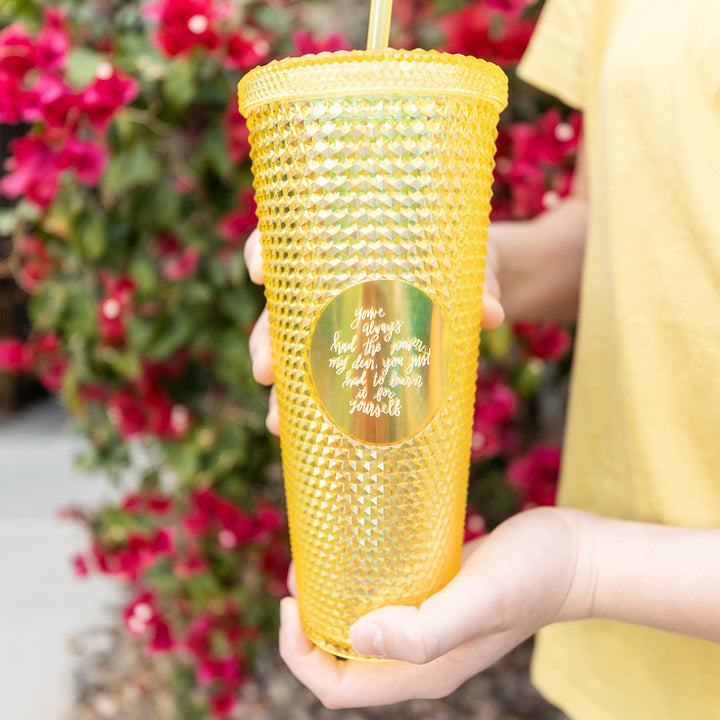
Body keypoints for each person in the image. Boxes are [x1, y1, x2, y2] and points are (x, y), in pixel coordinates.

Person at [243, 0, 720, 716]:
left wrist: (585, 568)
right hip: (622, 671)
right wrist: (459, 264)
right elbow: (621, 224)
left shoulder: (585, 570)